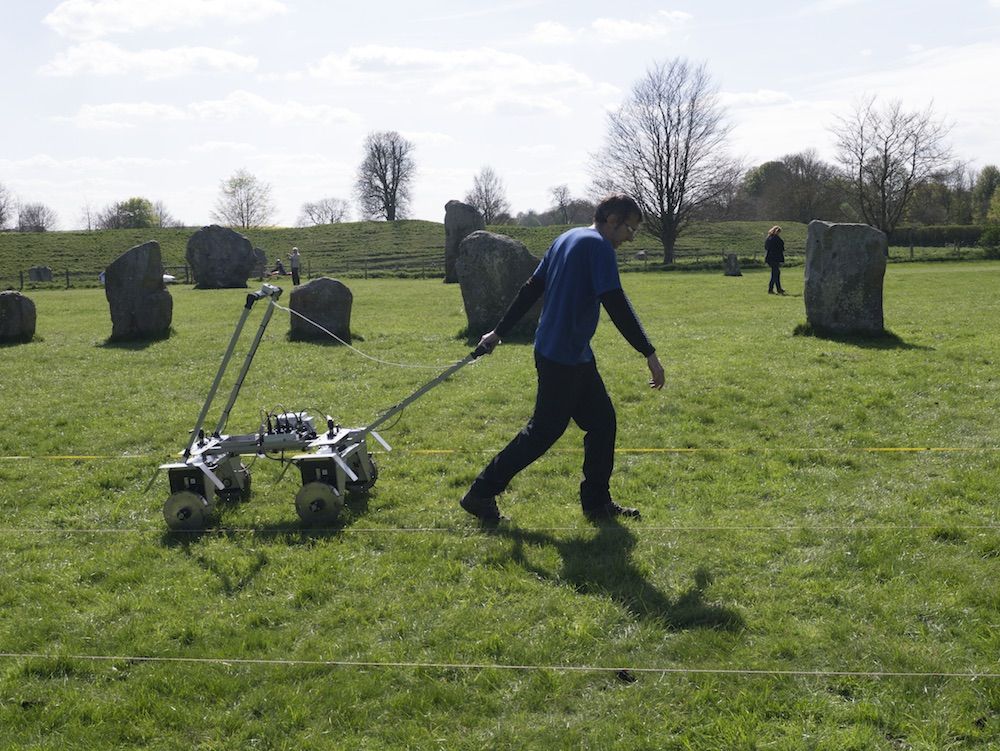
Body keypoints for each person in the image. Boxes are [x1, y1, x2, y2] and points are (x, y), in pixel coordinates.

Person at [460, 193, 666, 524]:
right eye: (630, 229)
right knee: (543, 432)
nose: (630, 238)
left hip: (569, 352)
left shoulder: (566, 238)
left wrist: (499, 332)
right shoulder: (598, 246)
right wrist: (649, 353)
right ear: (612, 220)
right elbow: (615, 303)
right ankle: (481, 492)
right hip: (562, 355)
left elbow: (530, 287)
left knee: (602, 423)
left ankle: (596, 504)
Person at [764, 225, 786, 295]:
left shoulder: (769, 238)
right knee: (775, 274)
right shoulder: (776, 239)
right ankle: (771, 289)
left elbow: (766, 247)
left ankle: (778, 289)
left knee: (776, 273)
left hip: (770, 258)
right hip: (774, 258)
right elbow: (780, 248)